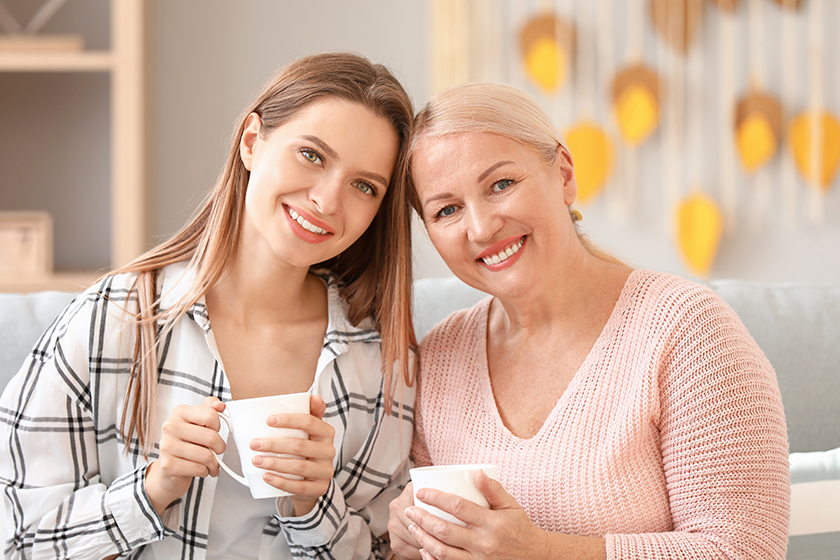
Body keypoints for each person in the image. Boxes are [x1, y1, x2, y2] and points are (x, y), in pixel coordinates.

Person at [0, 52, 417, 560]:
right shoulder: (114, 318)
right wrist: (152, 490)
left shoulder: (382, 364)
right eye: (312, 155)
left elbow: (388, 552)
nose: (328, 200)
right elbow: (17, 543)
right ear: (250, 142)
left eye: (364, 186)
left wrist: (314, 504)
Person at [387, 82, 789, 560]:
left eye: (501, 184)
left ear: (563, 174)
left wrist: (541, 552)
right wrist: (408, 544)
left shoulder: (688, 331)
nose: (480, 227)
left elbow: (744, 550)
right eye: (447, 209)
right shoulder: (437, 358)